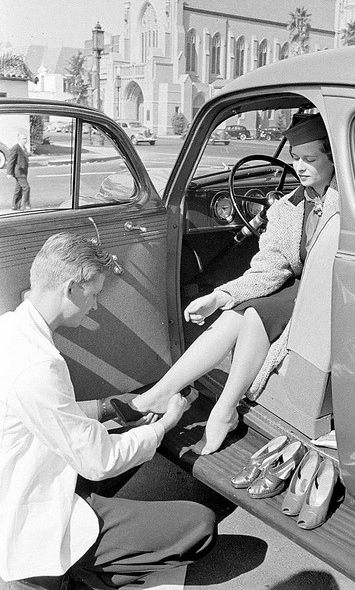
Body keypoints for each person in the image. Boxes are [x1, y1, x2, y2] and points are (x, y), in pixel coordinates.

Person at [0, 233, 216, 590]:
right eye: (95, 294)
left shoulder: (10, 330)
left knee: (122, 439)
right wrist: (165, 425)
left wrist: (123, 407)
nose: (96, 306)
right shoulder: (39, 367)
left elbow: (55, 414)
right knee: (199, 524)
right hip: (31, 518)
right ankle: (69, 572)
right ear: (71, 289)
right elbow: (99, 461)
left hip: (20, 480)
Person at [120, 113, 339, 456]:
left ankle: (223, 410)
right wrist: (220, 295)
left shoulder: (351, 199)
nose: (299, 167)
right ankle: (171, 392)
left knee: (254, 314)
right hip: (303, 286)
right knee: (237, 312)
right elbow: (268, 269)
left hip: (334, 289)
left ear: (333, 157)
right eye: (294, 158)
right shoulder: (289, 206)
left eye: (310, 159)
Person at [6, 132, 31, 211]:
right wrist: (9, 173)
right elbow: (11, 161)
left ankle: (15, 206)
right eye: (23, 139)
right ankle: (26, 205)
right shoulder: (16, 148)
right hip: (19, 172)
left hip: (23, 171)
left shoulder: (23, 148)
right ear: (19, 139)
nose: (25, 140)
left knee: (19, 189)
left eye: (26, 138)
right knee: (26, 187)